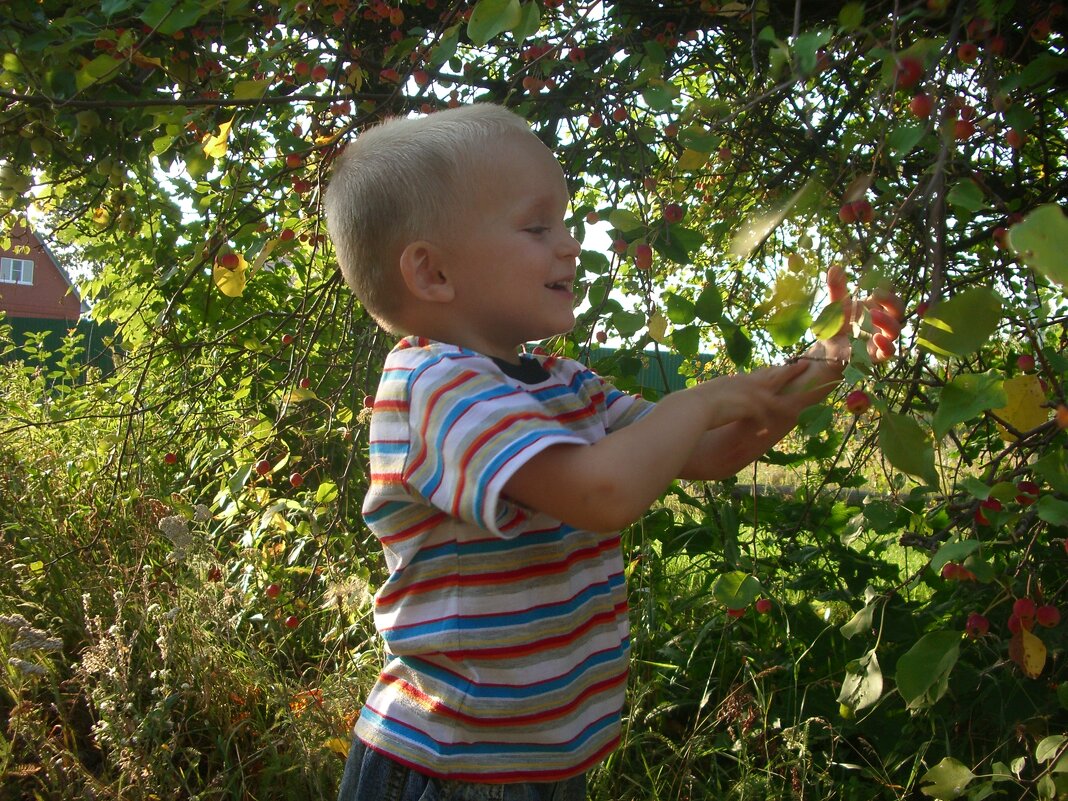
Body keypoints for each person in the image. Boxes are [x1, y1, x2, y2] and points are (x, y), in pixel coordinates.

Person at [324, 103, 902, 801]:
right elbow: (603, 493)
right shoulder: (434, 386)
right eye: (538, 227)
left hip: (540, 760)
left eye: (565, 223)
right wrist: (703, 399)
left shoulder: (560, 383)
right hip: (451, 767)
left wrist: (818, 367)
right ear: (433, 273)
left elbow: (708, 450)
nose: (570, 244)